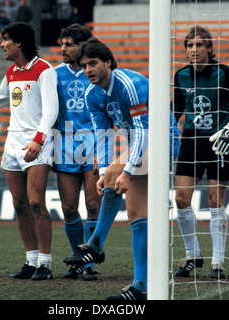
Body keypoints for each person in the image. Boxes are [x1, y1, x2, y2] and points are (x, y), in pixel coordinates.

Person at [63, 38, 180, 300]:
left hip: (163, 139)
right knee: (129, 205)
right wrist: (105, 171)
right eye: (83, 66)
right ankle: (135, 282)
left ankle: (99, 249)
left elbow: (142, 130)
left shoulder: (130, 83)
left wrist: (127, 171)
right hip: (141, 145)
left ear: (108, 62)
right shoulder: (91, 94)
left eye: (93, 63)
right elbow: (103, 136)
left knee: (128, 197)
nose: (88, 70)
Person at [0, 22, 58, 281]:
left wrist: (38, 140)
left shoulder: (45, 70)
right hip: (13, 143)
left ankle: (46, 264)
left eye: (5, 39)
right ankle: (31, 261)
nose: (1, 44)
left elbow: (51, 111)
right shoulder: (12, 72)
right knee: (19, 204)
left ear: (19, 43)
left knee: (36, 202)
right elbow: (1, 94)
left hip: (38, 143)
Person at [172, 26, 229, 279]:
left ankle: (217, 261)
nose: (193, 50)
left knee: (214, 201)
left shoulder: (225, 74)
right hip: (191, 143)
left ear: (209, 48)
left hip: (219, 144)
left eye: (199, 45)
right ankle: (193, 254)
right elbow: (175, 110)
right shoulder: (181, 75)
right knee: (181, 200)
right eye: (189, 46)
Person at [54, 24, 101, 281]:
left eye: (69, 44)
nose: (63, 48)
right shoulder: (54, 74)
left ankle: (90, 261)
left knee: (93, 205)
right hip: (64, 144)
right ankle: (77, 260)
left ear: (82, 46)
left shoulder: (95, 72)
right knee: (69, 207)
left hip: (94, 142)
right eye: (62, 44)